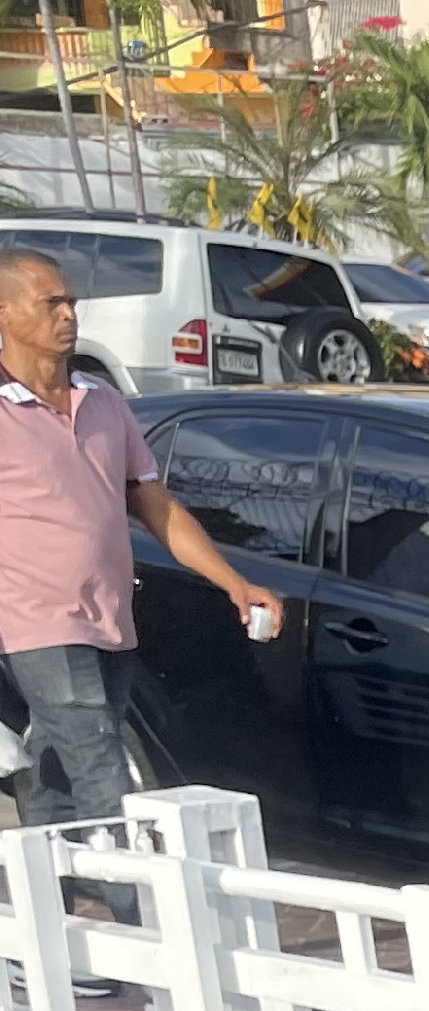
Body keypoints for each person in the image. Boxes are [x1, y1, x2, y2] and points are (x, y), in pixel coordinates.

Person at [0, 244, 282, 857]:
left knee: (52, 770)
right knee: (102, 759)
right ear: (3, 313)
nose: (69, 314)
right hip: (34, 622)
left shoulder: (102, 402)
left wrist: (233, 581)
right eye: (52, 303)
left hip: (111, 617)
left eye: (71, 301)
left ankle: (55, 921)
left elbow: (157, 505)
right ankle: (145, 920)